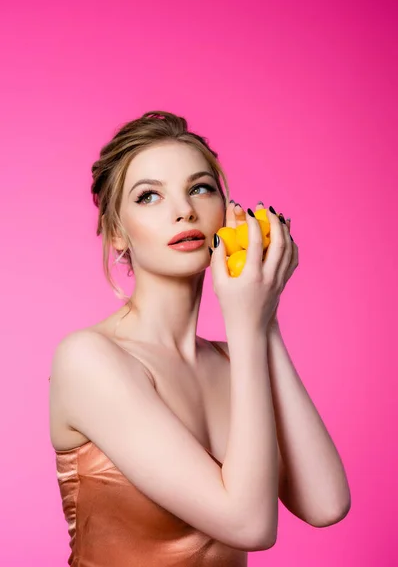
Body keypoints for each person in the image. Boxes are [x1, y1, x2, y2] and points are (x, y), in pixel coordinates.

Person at [48, 111, 348, 566]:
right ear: (116, 234)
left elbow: (326, 504)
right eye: (149, 196)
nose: (183, 210)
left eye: (200, 188)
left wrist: (264, 321)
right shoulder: (89, 359)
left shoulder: (236, 359)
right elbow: (250, 525)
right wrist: (247, 328)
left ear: (228, 216)